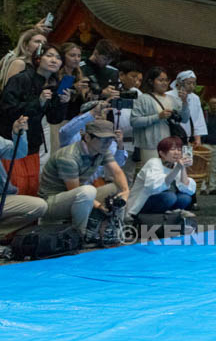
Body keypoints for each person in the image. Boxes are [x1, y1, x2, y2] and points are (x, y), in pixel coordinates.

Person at [0, 44, 72, 196]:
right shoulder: (20, 79)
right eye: (49, 56)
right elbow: (7, 110)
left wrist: (63, 103)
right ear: (38, 58)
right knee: (15, 188)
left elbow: (54, 119)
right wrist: (37, 102)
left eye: (58, 58)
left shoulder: (53, 84)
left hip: (33, 144)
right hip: (12, 142)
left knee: (32, 188)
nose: (54, 60)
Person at [38, 120, 131, 233]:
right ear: (87, 137)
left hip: (76, 196)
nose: (107, 143)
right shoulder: (69, 157)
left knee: (118, 187)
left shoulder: (101, 150)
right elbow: (75, 190)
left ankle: (115, 232)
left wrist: (125, 192)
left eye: (110, 139)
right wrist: (100, 206)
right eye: (103, 139)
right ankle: (79, 234)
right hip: (51, 203)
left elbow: (117, 172)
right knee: (87, 191)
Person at [0, 115, 48, 244]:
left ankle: (2, 233)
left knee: (39, 206)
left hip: (2, 198)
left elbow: (18, 153)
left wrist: (18, 134)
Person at [125, 136, 196, 218]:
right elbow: (154, 187)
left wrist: (183, 167)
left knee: (185, 198)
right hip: (142, 202)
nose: (177, 152)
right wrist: (177, 169)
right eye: (172, 149)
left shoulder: (177, 165)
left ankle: (171, 215)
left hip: (163, 201)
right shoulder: (153, 162)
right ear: (162, 153)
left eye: (179, 150)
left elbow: (188, 189)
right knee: (169, 197)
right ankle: (148, 217)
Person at [131, 67, 183, 165]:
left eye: (166, 80)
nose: (164, 83)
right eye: (160, 80)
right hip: (150, 145)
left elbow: (184, 118)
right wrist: (158, 116)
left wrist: (185, 102)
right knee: (152, 174)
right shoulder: (143, 99)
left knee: (167, 174)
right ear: (151, 81)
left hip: (170, 145)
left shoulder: (173, 99)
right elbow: (134, 121)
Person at [171, 70, 207, 149]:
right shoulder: (169, 95)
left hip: (188, 139)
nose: (192, 86)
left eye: (194, 83)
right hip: (171, 138)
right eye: (189, 83)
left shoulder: (195, 98)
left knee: (187, 160)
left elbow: (198, 119)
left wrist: (198, 139)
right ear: (180, 83)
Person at [201, 97, 216, 194]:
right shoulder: (204, 116)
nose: (214, 105)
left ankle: (212, 187)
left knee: (214, 167)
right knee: (204, 167)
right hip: (205, 144)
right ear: (208, 105)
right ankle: (203, 187)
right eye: (212, 103)